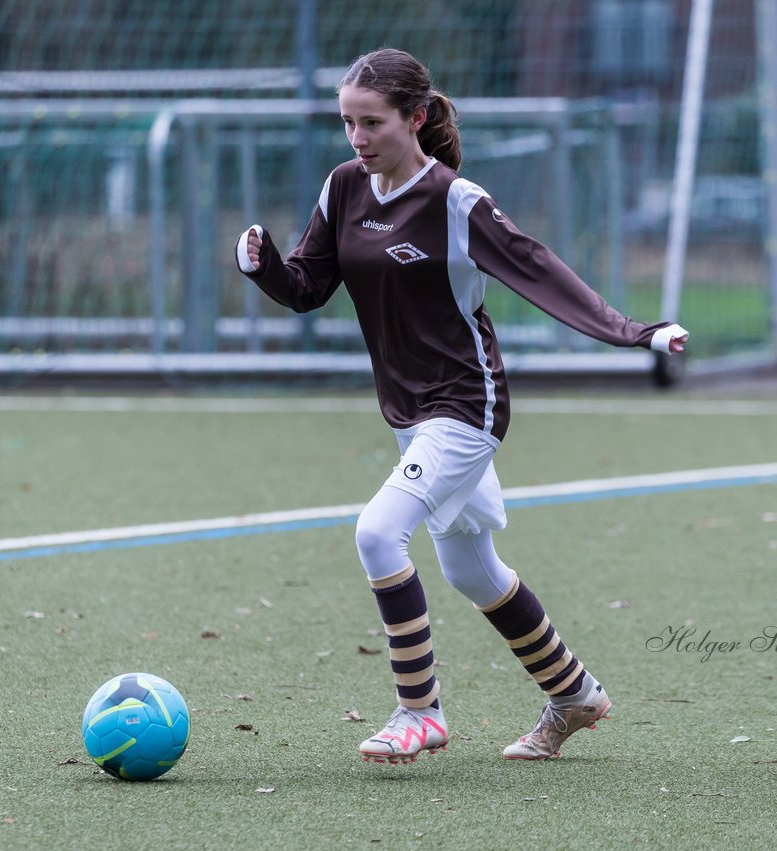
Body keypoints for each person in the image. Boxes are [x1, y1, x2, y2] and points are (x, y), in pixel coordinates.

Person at [234, 48, 688, 764]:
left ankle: (419, 712)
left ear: (414, 118)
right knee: (472, 571)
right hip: (408, 413)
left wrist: (636, 331)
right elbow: (306, 288)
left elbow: (540, 270)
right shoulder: (344, 188)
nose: (357, 137)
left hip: (465, 404)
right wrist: (262, 270)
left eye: (372, 122)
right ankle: (575, 695)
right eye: (347, 121)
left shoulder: (455, 200)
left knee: (378, 534)